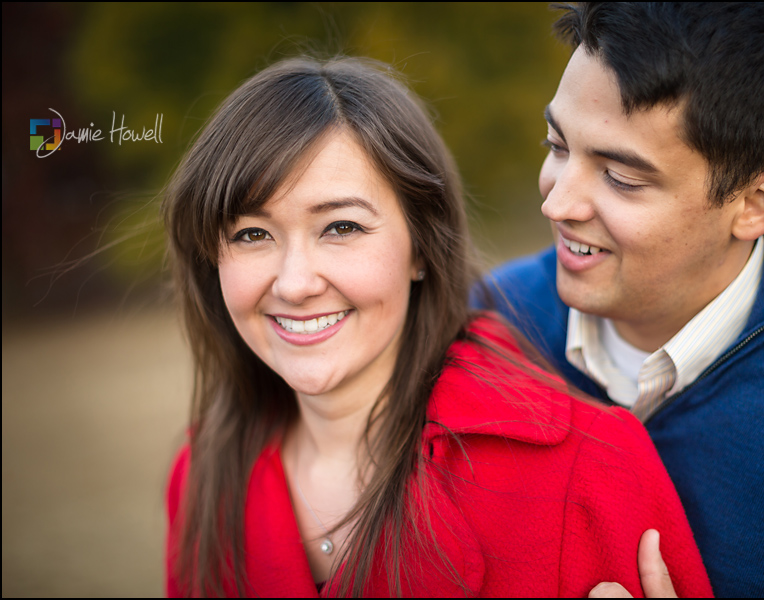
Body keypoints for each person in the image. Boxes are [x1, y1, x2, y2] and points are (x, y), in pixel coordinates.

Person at [162, 56, 713, 597]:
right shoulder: (204, 476)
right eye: (252, 234)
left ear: (420, 248)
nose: (295, 283)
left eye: (341, 226)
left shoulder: (591, 469)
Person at [478, 3, 764, 597]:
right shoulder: (486, 322)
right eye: (558, 145)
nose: (556, 203)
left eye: (621, 178)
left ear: (756, 202)